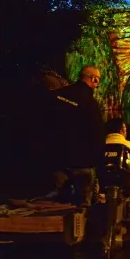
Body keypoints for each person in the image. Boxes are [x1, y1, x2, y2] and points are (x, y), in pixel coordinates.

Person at [47, 65, 106, 207]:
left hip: (58, 160)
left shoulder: (57, 95)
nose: (97, 85)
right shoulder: (90, 103)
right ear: (93, 79)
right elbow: (97, 133)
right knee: (81, 207)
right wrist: (97, 161)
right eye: (98, 80)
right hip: (82, 162)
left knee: (59, 204)